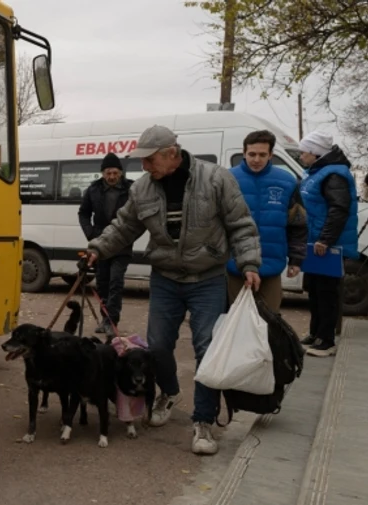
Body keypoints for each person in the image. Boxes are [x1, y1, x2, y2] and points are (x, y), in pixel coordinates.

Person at [85, 125, 262, 456]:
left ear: (171, 153)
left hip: (208, 277)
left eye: (149, 160)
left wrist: (250, 263)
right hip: (165, 277)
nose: (144, 167)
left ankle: (204, 422)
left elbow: (241, 224)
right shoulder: (142, 190)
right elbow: (124, 227)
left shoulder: (215, 179)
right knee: (159, 347)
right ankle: (168, 391)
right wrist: (97, 248)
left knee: (207, 347)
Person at [226, 130, 308, 313]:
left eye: (262, 155)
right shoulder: (227, 179)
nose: (256, 159)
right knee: (236, 322)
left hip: (271, 264)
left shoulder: (287, 182)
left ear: (271, 154)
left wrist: (296, 259)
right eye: (252, 154)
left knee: (270, 322)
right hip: (234, 264)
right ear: (244, 152)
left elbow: (298, 224)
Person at [296, 131, 359, 357]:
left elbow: (339, 210)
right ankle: (315, 333)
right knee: (313, 289)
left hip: (328, 245)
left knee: (327, 292)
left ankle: (327, 340)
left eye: (303, 152)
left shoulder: (334, 175)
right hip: (314, 243)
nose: (301, 156)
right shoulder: (316, 172)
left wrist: (325, 239)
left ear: (315, 153)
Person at [78, 152, 133, 337]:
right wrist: (91, 234)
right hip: (100, 245)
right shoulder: (93, 190)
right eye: (108, 173)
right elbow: (83, 213)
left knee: (116, 283)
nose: (111, 177)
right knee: (102, 283)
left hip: (122, 244)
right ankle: (104, 318)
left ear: (121, 173)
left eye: (115, 173)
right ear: (103, 173)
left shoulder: (131, 189)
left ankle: (112, 321)